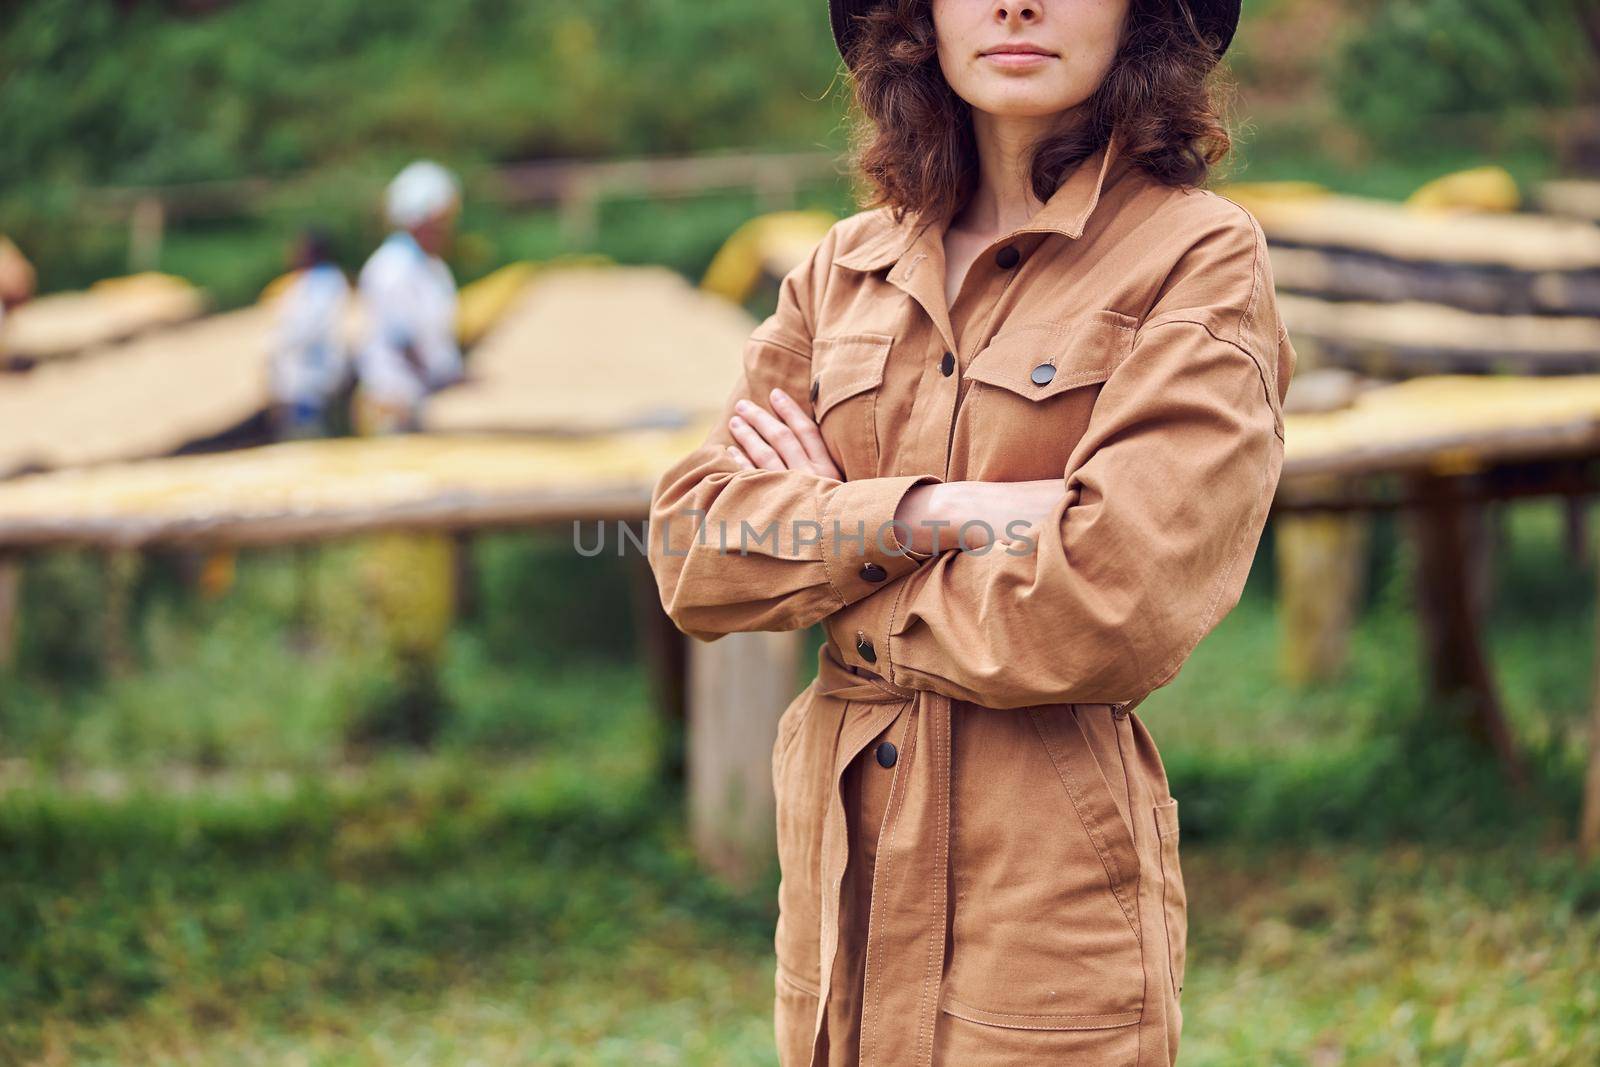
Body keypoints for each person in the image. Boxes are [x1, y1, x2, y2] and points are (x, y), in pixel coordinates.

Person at [647, 2, 1294, 1066]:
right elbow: (690, 550)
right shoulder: (841, 270)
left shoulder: (1196, 259)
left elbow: (1107, 602)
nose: (1017, 4)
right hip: (836, 886)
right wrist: (935, 513)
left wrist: (826, 550)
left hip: (1039, 889)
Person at [353, 160, 465, 435]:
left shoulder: (431, 268)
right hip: (394, 402)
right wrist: (445, 376)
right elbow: (403, 338)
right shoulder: (391, 267)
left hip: (418, 398)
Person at [268, 227, 350, 440]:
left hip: (311, 383)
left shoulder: (322, 285)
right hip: (306, 384)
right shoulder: (314, 283)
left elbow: (302, 332)